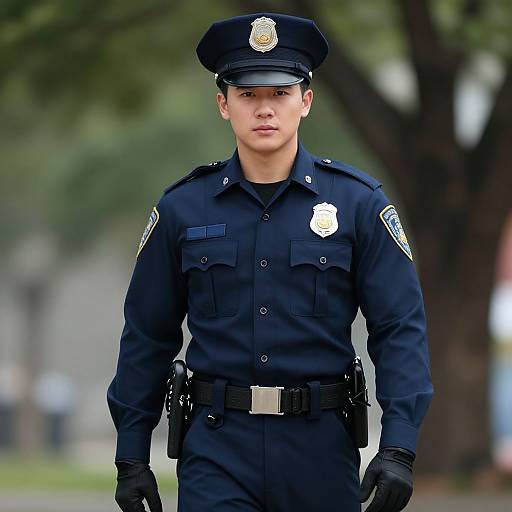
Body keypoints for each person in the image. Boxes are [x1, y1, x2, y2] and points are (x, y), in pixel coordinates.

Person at [107, 12, 434, 512]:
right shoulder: (182, 209)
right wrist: (131, 454)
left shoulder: (359, 205)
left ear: (306, 101)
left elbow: (399, 328)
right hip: (216, 448)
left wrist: (399, 445)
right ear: (224, 104)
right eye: (248, 95)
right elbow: (147, 333)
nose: (265, 110)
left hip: (320, 448)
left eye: (280, 94)